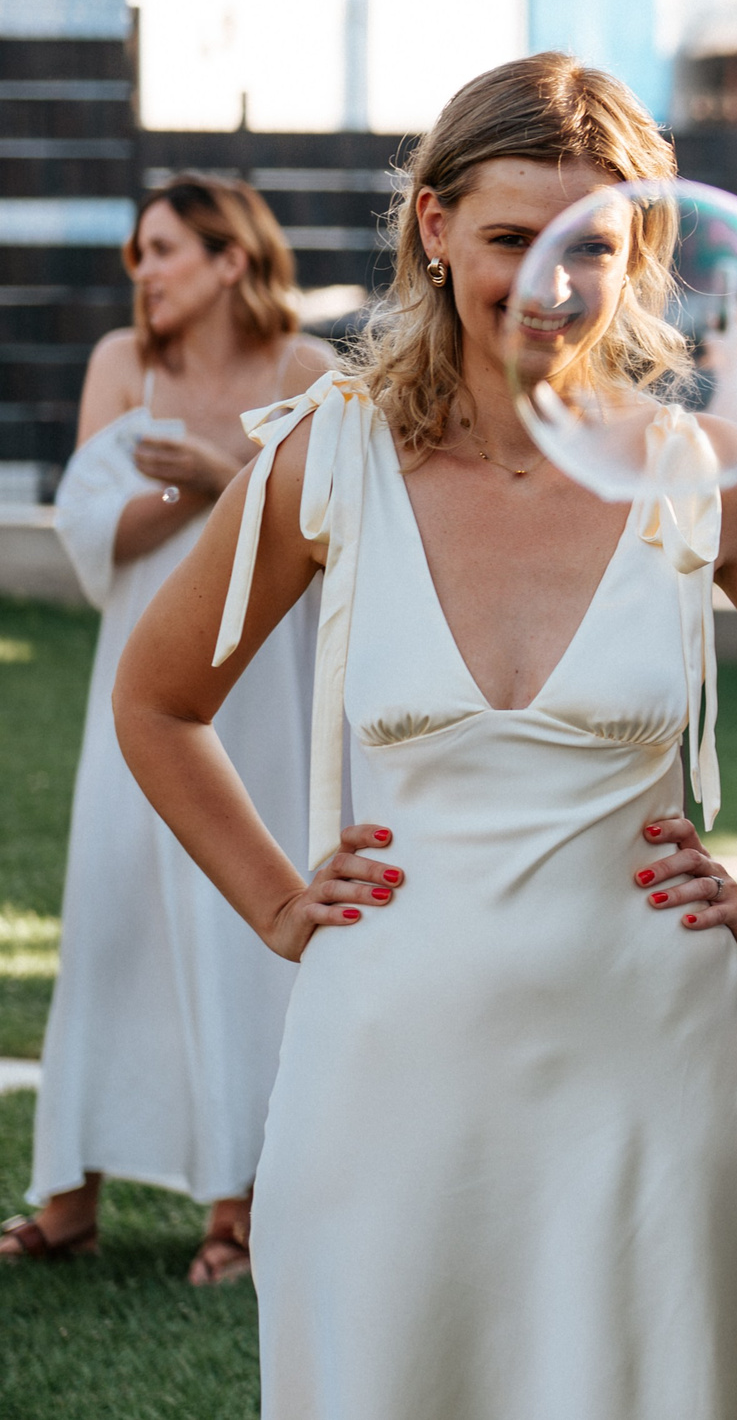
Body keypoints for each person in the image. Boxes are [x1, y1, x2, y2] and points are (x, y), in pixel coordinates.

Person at [113, 54, 737, 1420]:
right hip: (385, 1064)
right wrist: (276, 900)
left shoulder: (706, 473)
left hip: (647, 1067)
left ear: (638, 251)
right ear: (434, 227)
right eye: (510, 238)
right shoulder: (330, 460)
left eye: (589, 246)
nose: (548, 284)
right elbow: (156, 699)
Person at [5, 177, 333, 1283]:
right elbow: (92, 528)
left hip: (262, 688)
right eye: (137, 255)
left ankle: (239, 1203)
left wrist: (217, 473)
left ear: (230, 258)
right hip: (143, 682)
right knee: (112, 915)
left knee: (240, 922)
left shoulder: (306, 370)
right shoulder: (120, 364)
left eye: (162, 249)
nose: (142, 272)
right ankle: (68, 1198)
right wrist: (195, 491)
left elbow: (335, 521)